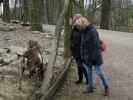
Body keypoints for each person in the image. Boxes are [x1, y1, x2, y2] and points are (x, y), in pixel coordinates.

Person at [74, 17, 109, 96]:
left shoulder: (93, 31)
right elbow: (82, 45)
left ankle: (106, 87)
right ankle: (90, 87)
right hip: (86, 58)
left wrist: (93, 58)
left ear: (83, 24)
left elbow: (96, 46)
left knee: (99, 73)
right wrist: (82, 56)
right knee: (89, 73)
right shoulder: (83, 31)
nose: (78, 28)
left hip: (95, 57)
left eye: (79, 26)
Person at [70, 14, 84, 84]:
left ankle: (87, 79)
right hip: (75, 50)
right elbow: (71, 38)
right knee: (79, 66)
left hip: (81, 50)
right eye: (74, 20)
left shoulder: (83, 28)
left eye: (75, 19)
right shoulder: (74, 28)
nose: (74, 21)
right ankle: (81, 79)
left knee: (81, 66)